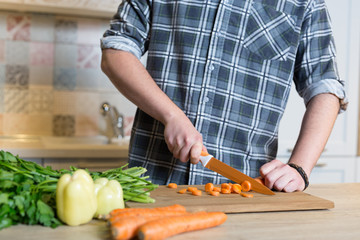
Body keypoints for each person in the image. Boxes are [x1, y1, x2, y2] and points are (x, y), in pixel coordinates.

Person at [100, 0, 347, 192]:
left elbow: (325, 88)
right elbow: (116, 50)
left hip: (244, 191)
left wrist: (300, 168)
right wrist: (171, 115)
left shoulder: (304, 3)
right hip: (152, 183)